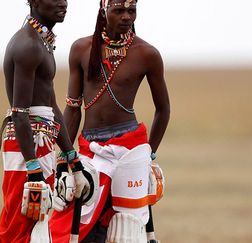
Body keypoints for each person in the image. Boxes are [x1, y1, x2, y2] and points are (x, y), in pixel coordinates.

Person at [49, 0, 170, 242]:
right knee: (76, 222)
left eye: (131, 10)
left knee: (128, 227)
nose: (126, 16)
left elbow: (163, 109)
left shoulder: (147, 54)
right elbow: (73, 109)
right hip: (90, 148)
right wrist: (64, 161)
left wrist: (149, 156)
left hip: (131, 149)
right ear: (104, 11)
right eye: (119, 10)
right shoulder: (81, 49)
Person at [0, 0, 94, 242]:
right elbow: (19, 112)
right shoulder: (28, 45)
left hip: (39, 142)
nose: (63, 3)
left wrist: (72, 158)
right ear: (34, 1)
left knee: (36, 222)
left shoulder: (42, 43)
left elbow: (52, 106)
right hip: (26, 145)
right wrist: (33, 168)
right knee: (17, 221)